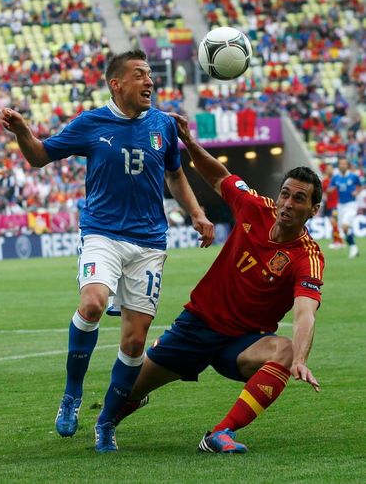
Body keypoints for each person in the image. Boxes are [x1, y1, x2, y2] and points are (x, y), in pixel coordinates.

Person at [0, 50, 215, 446]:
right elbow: (40, 157)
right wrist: (22, 133)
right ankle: (71, 395)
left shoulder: (164, 125)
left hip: (149, 242)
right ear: (116, 84)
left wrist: (198, 214)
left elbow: (176, 175)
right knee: (93, 303)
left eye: (150, 75)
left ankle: (107, 423)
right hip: (102, 232)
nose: (149, 81)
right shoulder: (91, 123)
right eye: (139, 75)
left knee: (134, 342)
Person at [94, 112, 324, 454]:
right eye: (286, 194)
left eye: (299, 199)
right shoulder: (254, 207)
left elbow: (306, 313)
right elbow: (220, 176)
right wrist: (188, 141)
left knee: (285, 351)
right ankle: (106, 424)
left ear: (313, 210)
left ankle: (219, 433)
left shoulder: (307, 256)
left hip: (244, 341)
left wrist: (301, 358)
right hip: (198, 325)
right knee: (127, 389)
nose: (288, 204)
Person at [329, 158, 361, 258]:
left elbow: (360, 186)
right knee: (344, 229)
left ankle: (353, 247)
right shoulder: (335, 178)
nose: (342, 166)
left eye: (344, 164)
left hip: (351, 204)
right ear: (338, 166)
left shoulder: (353, 176)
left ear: (347, 166)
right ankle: (354, 247)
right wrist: (328, 190)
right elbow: (330, 188)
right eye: (341, 164)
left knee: (345, 226)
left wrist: (356, 192)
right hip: (340, 205)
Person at [321, 163, 344, 249]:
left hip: (336, 204)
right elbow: (323, 193)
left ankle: (337, 241)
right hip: (329, 205)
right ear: (326, 170)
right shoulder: (325, 181)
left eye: (332, 168)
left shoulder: (337, 179)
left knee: (334, 222)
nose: (331, 170)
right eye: (329, 169)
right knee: (333, 223)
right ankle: (339, 241)